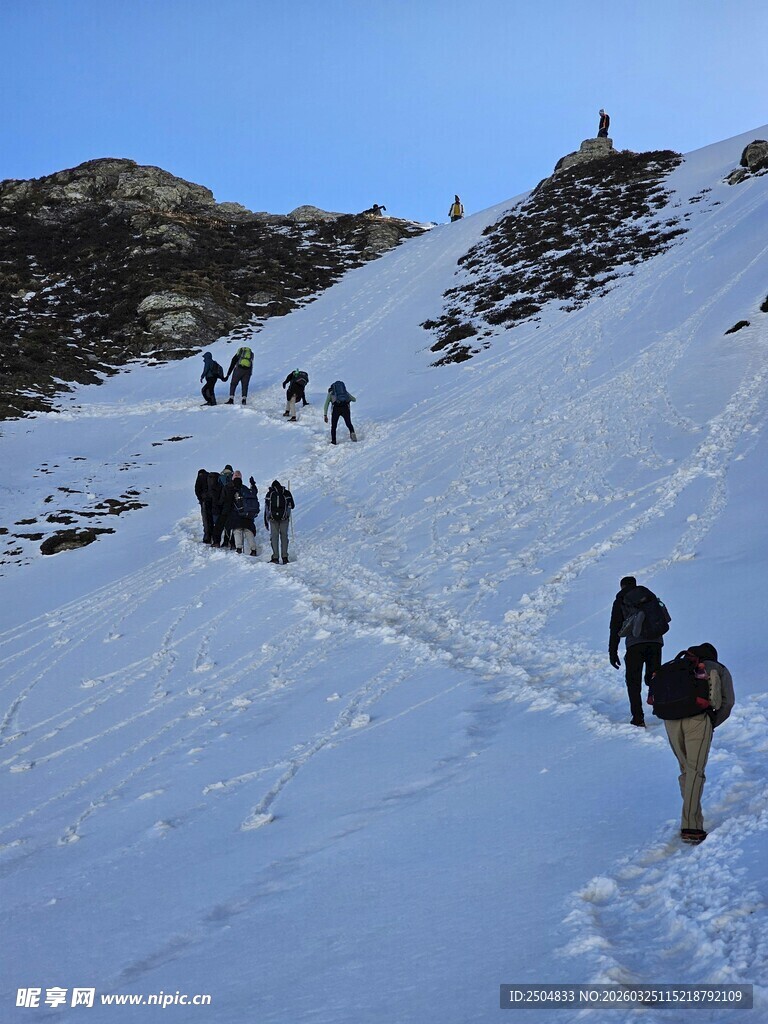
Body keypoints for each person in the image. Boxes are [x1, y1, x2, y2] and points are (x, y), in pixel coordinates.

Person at [658, 643, 735, 844]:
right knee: (695, 771)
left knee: (686, 769)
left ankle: (693, 816)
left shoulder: (677, 666)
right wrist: (711, 722)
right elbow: (727, 702)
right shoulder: (717, 668)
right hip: (698, 720)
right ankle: (691, 826)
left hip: (670, 721)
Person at [609, 576, 670, 727]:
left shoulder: (621, 599)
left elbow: (615, 627)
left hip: (635, 644)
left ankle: (638, 718)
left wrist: (613, 652)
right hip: (656, 642)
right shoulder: (648, 595)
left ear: (622, 586)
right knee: (654, 677)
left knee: (633, 681)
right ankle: (662, 710)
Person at [227, 472, 259, 555]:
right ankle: (253, 550)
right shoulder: (245, 488)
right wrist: (253, 484)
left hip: (237, 513)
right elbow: (254, 493)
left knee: (237, 530)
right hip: (248, 514)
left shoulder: (232, 488)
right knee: (248, 531)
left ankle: (239, 548)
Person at [264, 479, 295, 564]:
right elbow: (292, 506)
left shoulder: (269, 494)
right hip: (284, 518)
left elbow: (266, 508)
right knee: (284, 537)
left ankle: (275, 557)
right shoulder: (286, 493)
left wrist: (266, 520)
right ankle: (285, 557)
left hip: (273, 519)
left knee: (274, 537)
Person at [323, 380, 357, 445]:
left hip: (336, 409)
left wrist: (325, 415)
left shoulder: (331, 393)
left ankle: (334, 441)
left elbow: (326, 404)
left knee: (334, 426)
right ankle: (352, 432)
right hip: (345, 408)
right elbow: (354, 399)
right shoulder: (344, 392)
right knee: (348, 423)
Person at [211, 465, 234, 546]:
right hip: (230, 506)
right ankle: (227, 542)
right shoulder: (232, 477)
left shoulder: (220, 477)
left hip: (220, 506)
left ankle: (216, 542)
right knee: (229, 525)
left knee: (218, 526)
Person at [195, 469, 212, 543]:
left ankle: (207, 537)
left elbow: (197, 489)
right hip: (212, 501)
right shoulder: (210, 477)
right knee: (211, 518)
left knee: (206, 519)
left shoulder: (200, 477)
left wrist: (200, 499)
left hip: (204, 501)